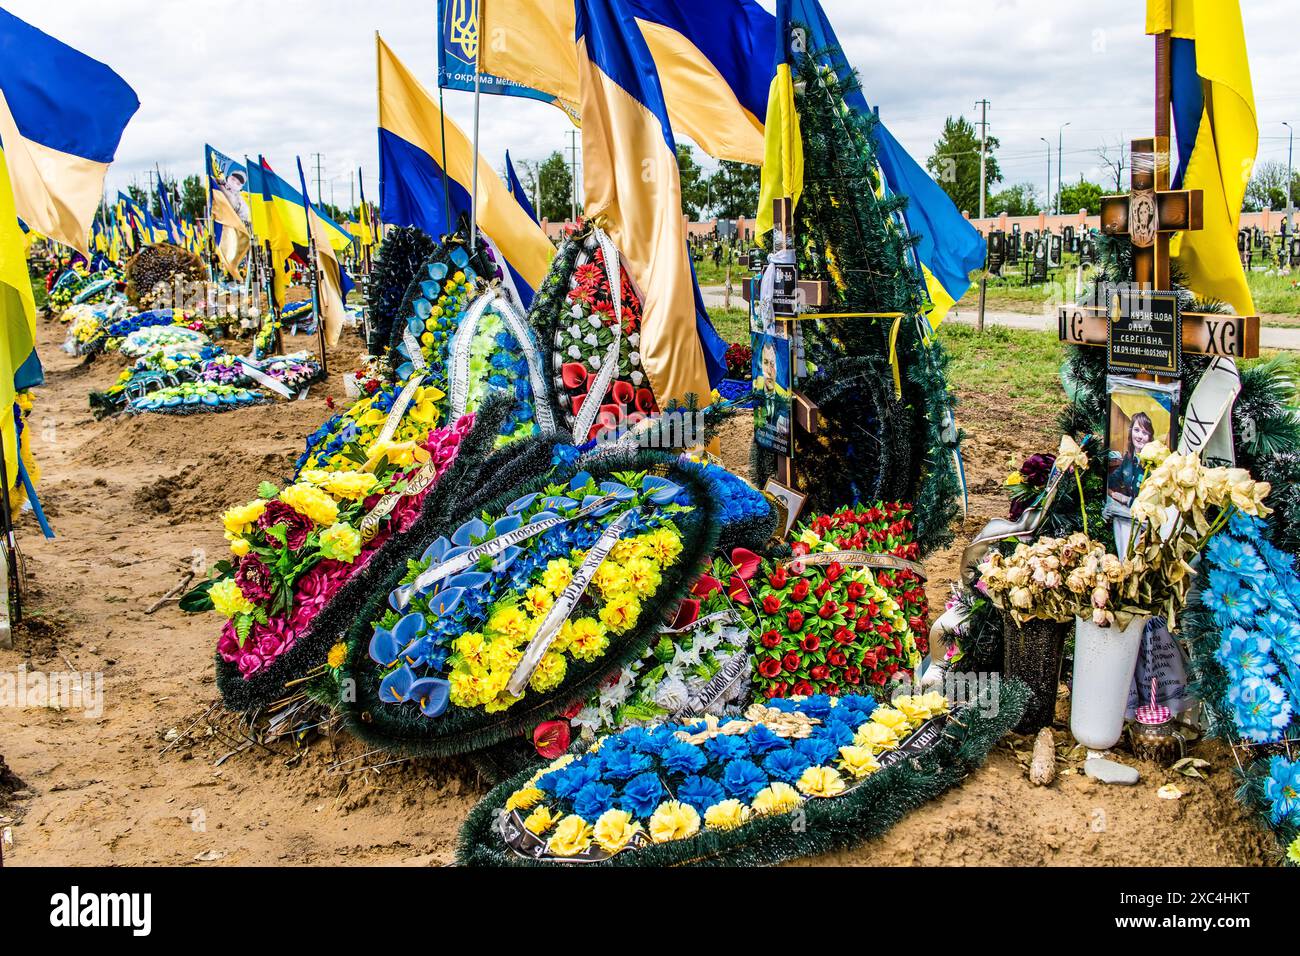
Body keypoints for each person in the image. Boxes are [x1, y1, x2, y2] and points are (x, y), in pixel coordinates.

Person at [1107, 410, 1154, 506]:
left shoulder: (1154, 466)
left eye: (1145, 433)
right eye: (1136, 430)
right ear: (1131, 431)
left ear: (1150, 438)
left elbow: (1151, 505)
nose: (1139, 436)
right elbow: (1114, 479)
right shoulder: (1128, 459)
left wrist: (1127, 500)